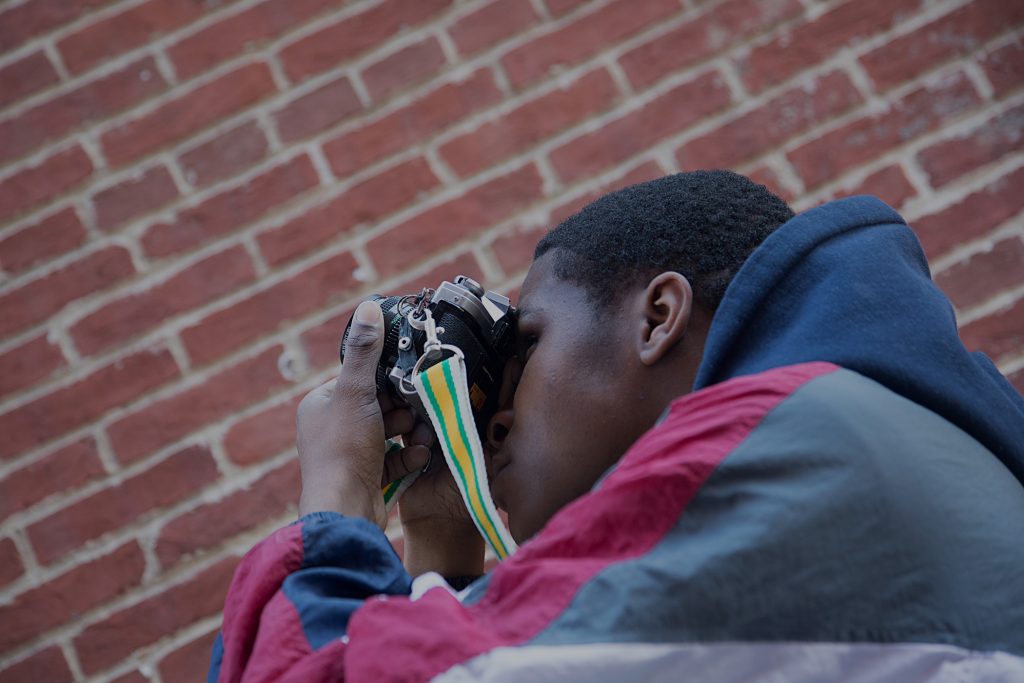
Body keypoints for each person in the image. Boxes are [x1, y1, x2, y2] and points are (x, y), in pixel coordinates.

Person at [208, 171, 1024, 682]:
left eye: (526, 351)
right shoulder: (891, 429)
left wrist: (337, 497)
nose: (495, 421)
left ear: (657, 317)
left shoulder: (767, 443)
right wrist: (443, 553)